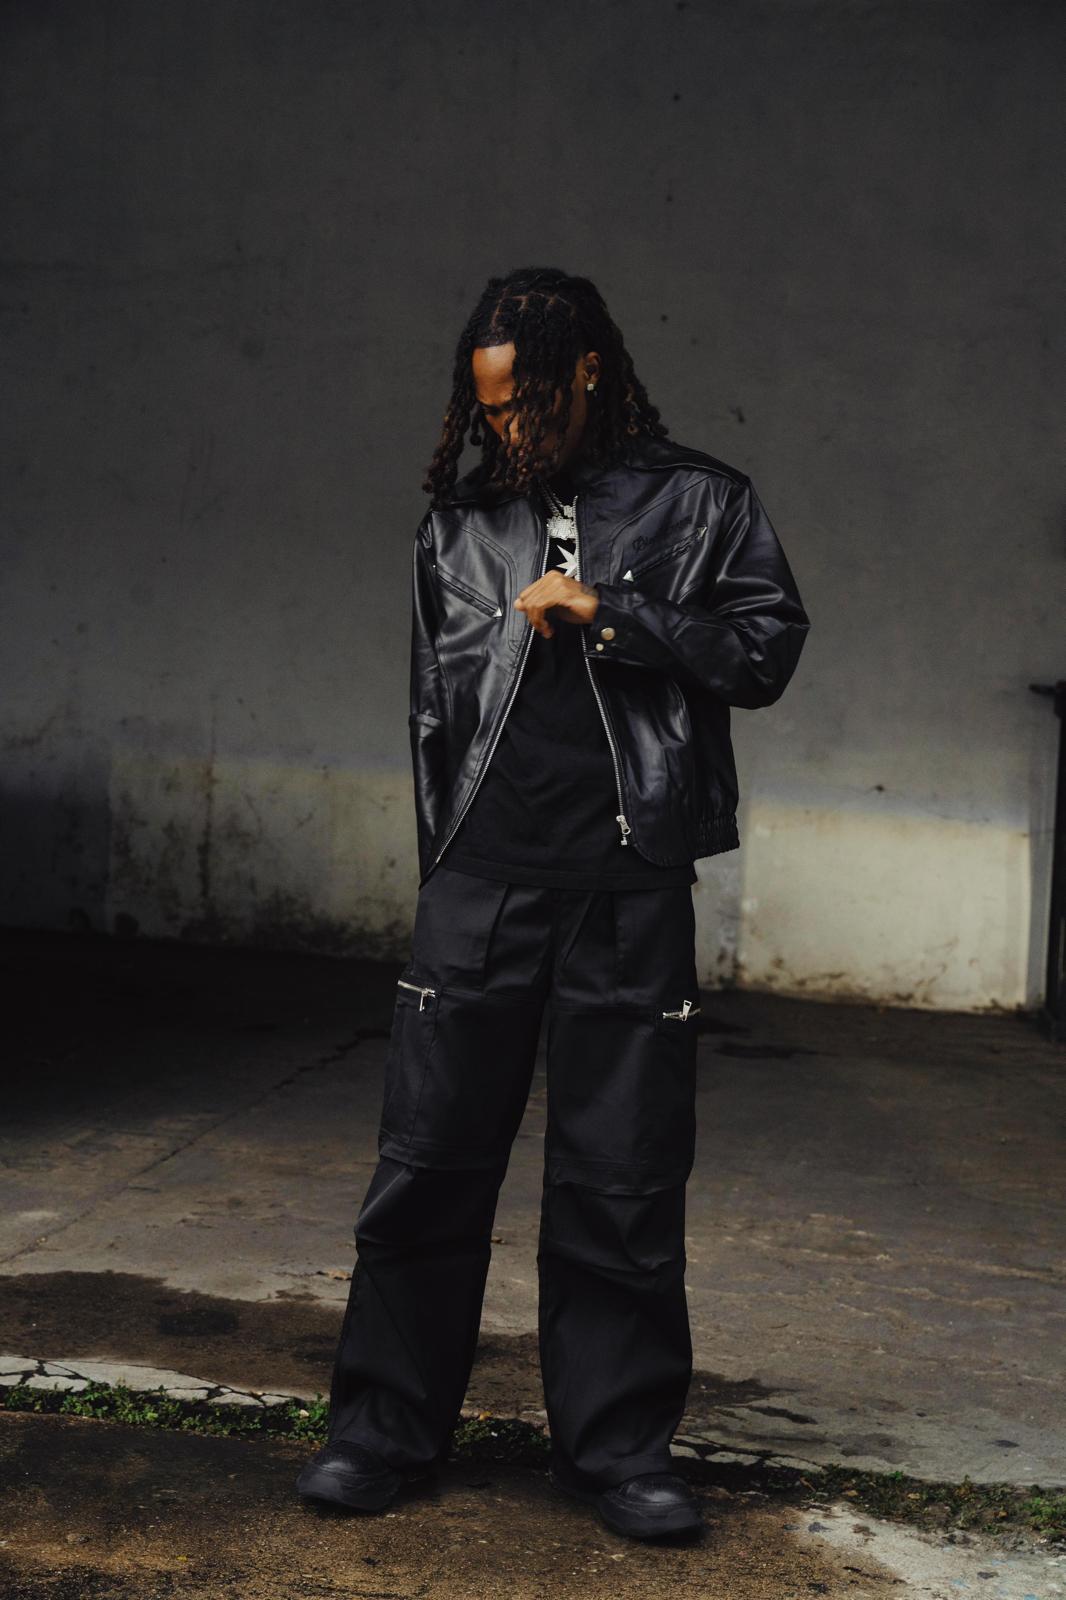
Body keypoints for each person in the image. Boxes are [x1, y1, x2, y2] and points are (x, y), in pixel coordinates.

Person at [296, 266, 810, 1541]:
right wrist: (448, 858)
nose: (506, 428)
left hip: (627, 886)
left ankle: (618, 1450)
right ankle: (380, 1431)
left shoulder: (702, 501)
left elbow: (764, 649)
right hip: (480, 885)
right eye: (488, 408)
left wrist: (612, 611)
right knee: (425, 1167)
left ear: (586, 371)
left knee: (622, 1182)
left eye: (523, 401)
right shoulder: (460, 523)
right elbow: (435, 709)